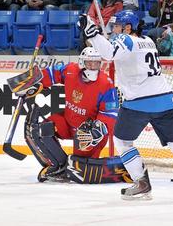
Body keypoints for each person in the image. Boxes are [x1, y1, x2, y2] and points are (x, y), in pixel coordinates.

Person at [78, 10, 173, 200]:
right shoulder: (148, 41)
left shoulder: (126, 40)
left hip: (138, 101)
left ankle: (141, 182)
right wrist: (98, 36)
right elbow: (117, 53)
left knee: (122, 142)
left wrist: (92, 33)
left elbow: (108, 54)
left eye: (116, 26)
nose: (113, 30)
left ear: (127, 27)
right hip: (164, 99)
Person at [20, 47, 125, 184]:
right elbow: (52, 74)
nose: (93, 67)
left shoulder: (106, 83)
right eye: (89, 63)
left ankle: (71, 168)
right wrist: (34, 82)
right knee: (42, 130)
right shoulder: (70, 70)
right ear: (82, 63)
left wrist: (98, 129)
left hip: (87, 133)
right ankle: (60, 167)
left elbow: (110, 113)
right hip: (68, 122)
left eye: (96, 63)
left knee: (78, 166)